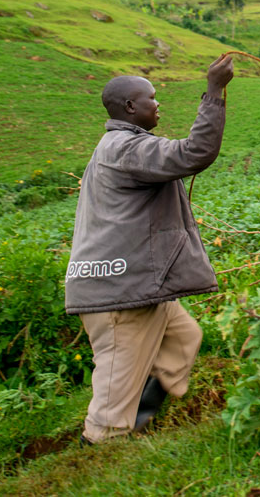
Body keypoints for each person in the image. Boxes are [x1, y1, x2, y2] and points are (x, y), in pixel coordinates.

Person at [66, 54, 234, 444]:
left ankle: (142, 418)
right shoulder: (125, 149)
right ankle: (100, 450)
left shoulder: (121, 147)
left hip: (136, 281)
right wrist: (214, 91)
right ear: (129, 107)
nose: (158, 104)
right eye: (151, 98)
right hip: (119, 291)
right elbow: (193, 153)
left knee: (182, 338)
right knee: (112, 392)